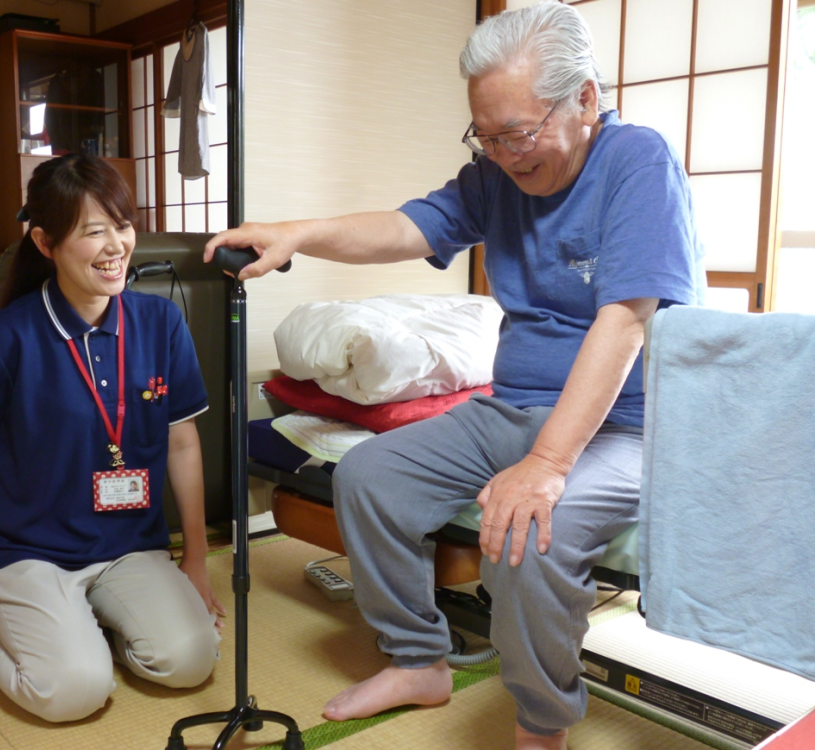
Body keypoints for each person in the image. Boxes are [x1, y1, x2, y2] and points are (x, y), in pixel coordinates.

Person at [204, 3, 705, 748]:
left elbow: (627, 321)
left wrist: (546, 465)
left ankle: (541, 725)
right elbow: (407, 227)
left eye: (518, 134)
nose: (503, 155)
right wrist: (298, 234)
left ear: (585, 99)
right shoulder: (497, 175)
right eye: (486, 137)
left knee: (531, 536)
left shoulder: (637, 162)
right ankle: (418, 660)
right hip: (513, 409)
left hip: (627, 424)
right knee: (369, 477)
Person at [0, 154, 224, 723]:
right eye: (93, 231)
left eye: (123, 225)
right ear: (45, 242)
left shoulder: (162, 324)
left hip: (130, 546)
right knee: (73, 692)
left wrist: (196, 558)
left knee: (191, 660)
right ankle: (26, 634)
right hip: (27, 551)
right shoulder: (1, 343)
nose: (116, 246)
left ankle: (85, 630)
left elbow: (182, 443)